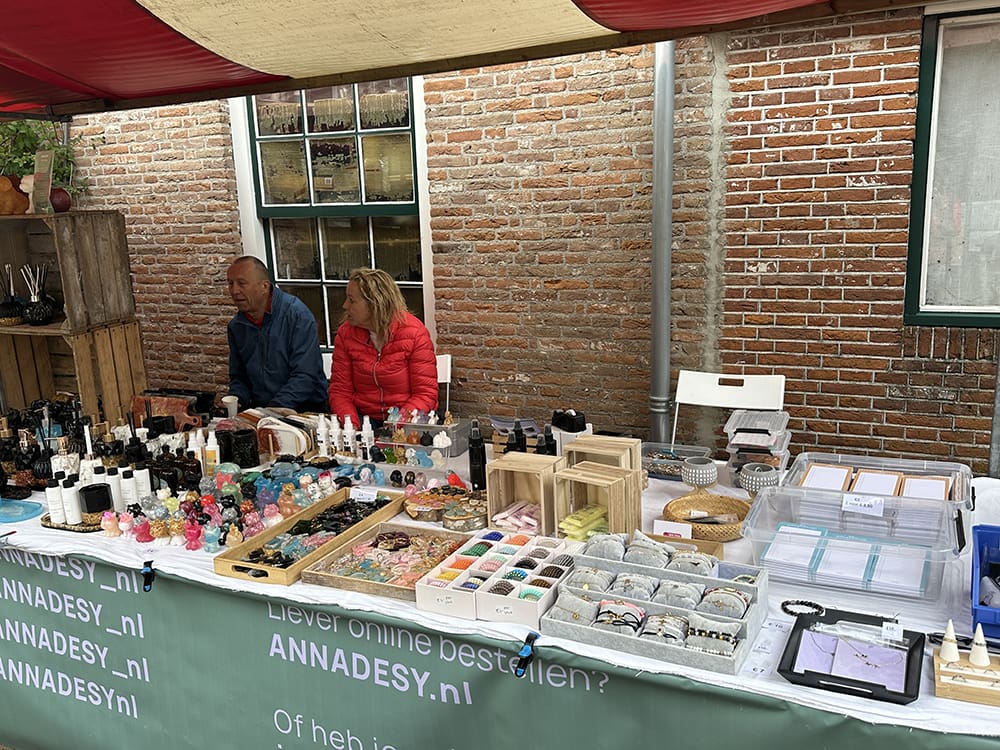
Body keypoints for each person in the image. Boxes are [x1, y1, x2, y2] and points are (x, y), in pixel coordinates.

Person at [328, 268, 438, 425]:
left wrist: (395, 427)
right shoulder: (345, 334)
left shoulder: (414, 333)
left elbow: (425, 394)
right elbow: (340, 391)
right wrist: (351, 428)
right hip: (363, 419)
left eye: (352, 300)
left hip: (407, 420)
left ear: (374, 303)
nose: (345, 305)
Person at [226, 256, 328, 412]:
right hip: (262, 409)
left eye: (242, 283)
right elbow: (239, 377)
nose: (234, 291)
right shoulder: (236, 326)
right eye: (230, 283)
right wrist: (237, 398)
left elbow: (305, 376)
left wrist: (271, 411)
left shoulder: (297, 315)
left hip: (305, 410)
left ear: (264, 286)